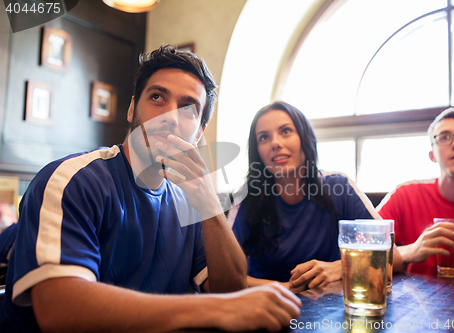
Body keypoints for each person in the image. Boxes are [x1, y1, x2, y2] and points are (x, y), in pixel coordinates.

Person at [0, 45, 301, 332]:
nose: (170, 116)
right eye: (157, 97)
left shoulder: (190, 204)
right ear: (132, 109)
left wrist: (209, 203)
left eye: (187, 108)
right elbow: (58, 309)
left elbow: (230, 289)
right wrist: (216, 309)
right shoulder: (75, 179)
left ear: (199, 133)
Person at [229, 101, 388, 292]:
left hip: (330, 308)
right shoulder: (245, 199)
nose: (275, 143)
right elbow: (226, 276)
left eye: (286, 131)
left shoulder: (339, 187)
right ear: (257, 152)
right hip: (265, 309)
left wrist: (343, 267)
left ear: (305, 138)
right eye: (263, 137)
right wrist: (285, 288)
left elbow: (387, 251)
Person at [378, 107, 454, 274]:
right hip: (414, 298)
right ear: (432, 155)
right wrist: (410, 251)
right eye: (444, 138)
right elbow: (365, 244)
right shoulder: (405, 195)